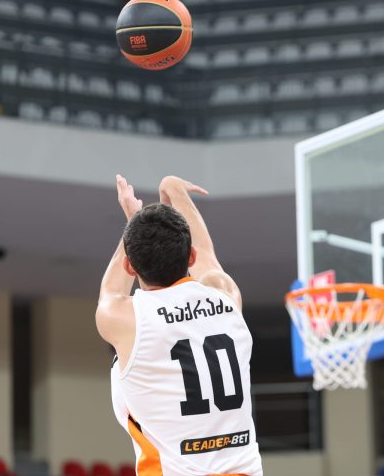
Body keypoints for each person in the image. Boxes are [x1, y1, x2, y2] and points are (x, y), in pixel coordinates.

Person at [96, 174, 263, 476]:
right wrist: (173, 187)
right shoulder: (226, 295)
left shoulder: (127, 318)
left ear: (130, 265)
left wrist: (134, 222)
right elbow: (207, 255)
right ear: (191, 256)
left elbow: (111, 292)